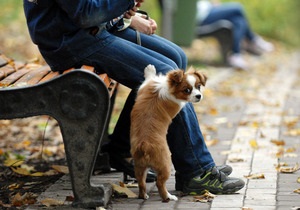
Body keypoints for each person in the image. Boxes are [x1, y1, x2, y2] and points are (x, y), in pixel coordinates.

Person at [23, 0, 245, 195]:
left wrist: (123, 17)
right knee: (165, 75)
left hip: (87, 31)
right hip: (72, 41)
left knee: (176, 57)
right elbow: (85, 13)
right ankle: (196, 171)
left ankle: (123, 149)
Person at [196, 0, 274, 70]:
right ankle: (253, 40)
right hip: (202, 16)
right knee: (238, 8)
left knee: (239, 21)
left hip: (209, 9)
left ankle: (236, 55)